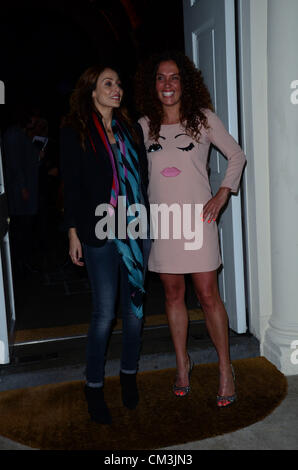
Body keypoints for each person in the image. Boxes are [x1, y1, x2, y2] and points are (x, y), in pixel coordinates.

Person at [135, 51, 246, 407]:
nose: (167, 84)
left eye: (174, 77)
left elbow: (237, 155)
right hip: (163, 223)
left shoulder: (203, 119)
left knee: (208, 294)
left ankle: (226, 368)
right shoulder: (143, 126)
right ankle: (183, 364)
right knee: (171, 295)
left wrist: (222, 194)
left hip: (198, 222)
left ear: (186, 83)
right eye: (161, 78)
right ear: (153, 85)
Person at [60, 64, 149, 424]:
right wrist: (72, 232)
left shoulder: (131, 128)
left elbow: (142, 175)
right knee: (103, 314)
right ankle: (93, 385)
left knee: (135, 311)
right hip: (98, 229)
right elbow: (71, 182)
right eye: (108, 83)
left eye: (118, 83)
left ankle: (129, 375)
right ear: (91, 91)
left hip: (135, 227)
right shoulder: (75, 130)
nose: (117, 89)